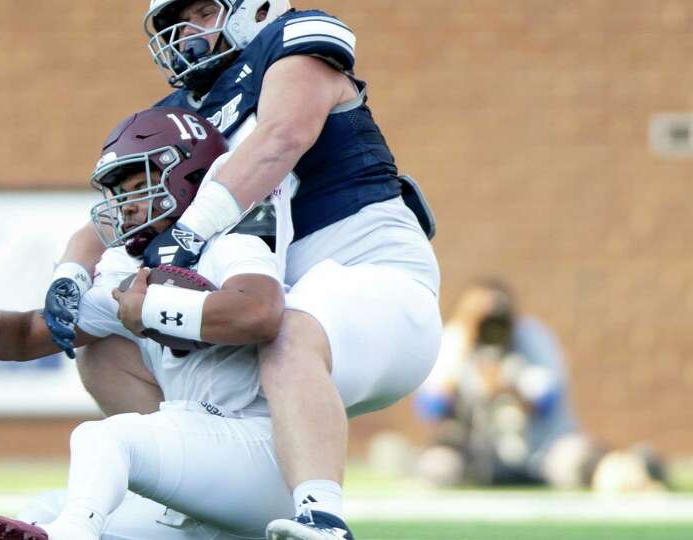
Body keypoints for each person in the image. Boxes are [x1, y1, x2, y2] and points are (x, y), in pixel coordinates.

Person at [43, 2, 443, 538]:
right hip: (291, 322)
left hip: (378, 284)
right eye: (172, 23)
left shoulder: (292, 41)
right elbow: (118, 214)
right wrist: (68, 273)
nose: (184, 32)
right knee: (106, 348)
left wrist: (191, 231)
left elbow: (282, 136)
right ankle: (199, 485)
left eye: (203, 11)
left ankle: (323, 518)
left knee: (287, 328)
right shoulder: (184, 112)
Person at [0, 107, 295, 540]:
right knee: (48, 506)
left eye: (139, 188)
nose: (127, 207)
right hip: (203, 465)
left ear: (188, 178)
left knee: (103, 440)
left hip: (262, 455)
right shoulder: (130, 271)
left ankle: (71, 536)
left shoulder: (231, 239)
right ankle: (65, 528)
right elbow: (28, 336)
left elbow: (261, 312)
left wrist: (151, 310)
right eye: (120, 195)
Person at [414, 278, 581, 487]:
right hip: (473, 455)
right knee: (437, 468)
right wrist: (463, 350)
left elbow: (548, 402)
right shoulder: (454, 339)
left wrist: (507, 389)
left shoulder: (531, 336)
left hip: (539, 452)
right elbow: (431, 407)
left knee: (578, 460)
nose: (490, 323)